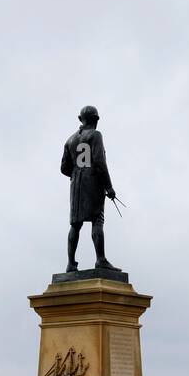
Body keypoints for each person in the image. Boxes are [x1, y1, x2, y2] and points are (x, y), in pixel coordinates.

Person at [60, 105, 120, 272]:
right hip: (93, 182)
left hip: (76, 185)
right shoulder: (95, 135)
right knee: (97, 220)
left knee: (75, 224)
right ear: (96, 119)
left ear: (80, 119)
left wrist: (77, 172)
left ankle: (70, 263)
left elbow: (64, 168)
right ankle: (100, 259)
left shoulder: (70, 140)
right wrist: (109, 187)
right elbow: (99, 161)